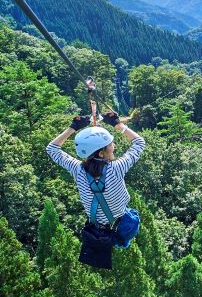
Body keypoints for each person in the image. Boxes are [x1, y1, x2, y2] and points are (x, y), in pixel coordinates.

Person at [46, 111, 145, 267]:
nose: (114, 146)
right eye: (111, 144)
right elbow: (139, 142)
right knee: (133, 218)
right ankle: (121, 243)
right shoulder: (117, 168)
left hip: (97, 229)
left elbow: (52, 149)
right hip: (123, 223)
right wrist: (118, 125)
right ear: (101, 152)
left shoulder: (77, 169)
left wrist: (73, 127)